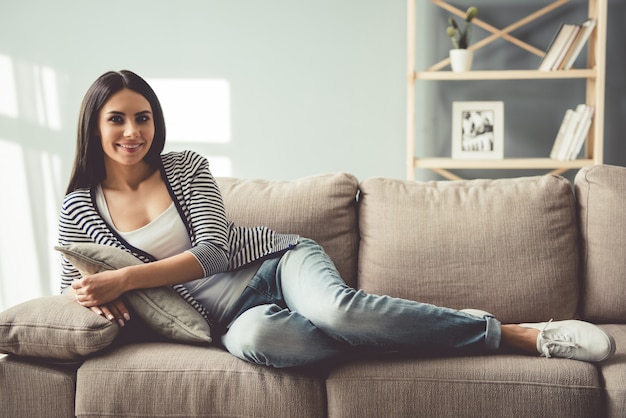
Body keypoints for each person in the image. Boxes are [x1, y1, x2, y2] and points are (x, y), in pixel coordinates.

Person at [59, 70, 616, 368]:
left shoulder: (184, 168)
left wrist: (125, 279)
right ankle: (423, 329)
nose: (132, 131)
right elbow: (72, 287)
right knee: (272, 344)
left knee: (337, 311)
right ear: (95, 127)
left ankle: (515, 335)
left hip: (273, 265)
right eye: (117, 120)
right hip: (228, 322)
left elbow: (214, 252)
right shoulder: (80, 206)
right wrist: (95, 293)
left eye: (143, 117)